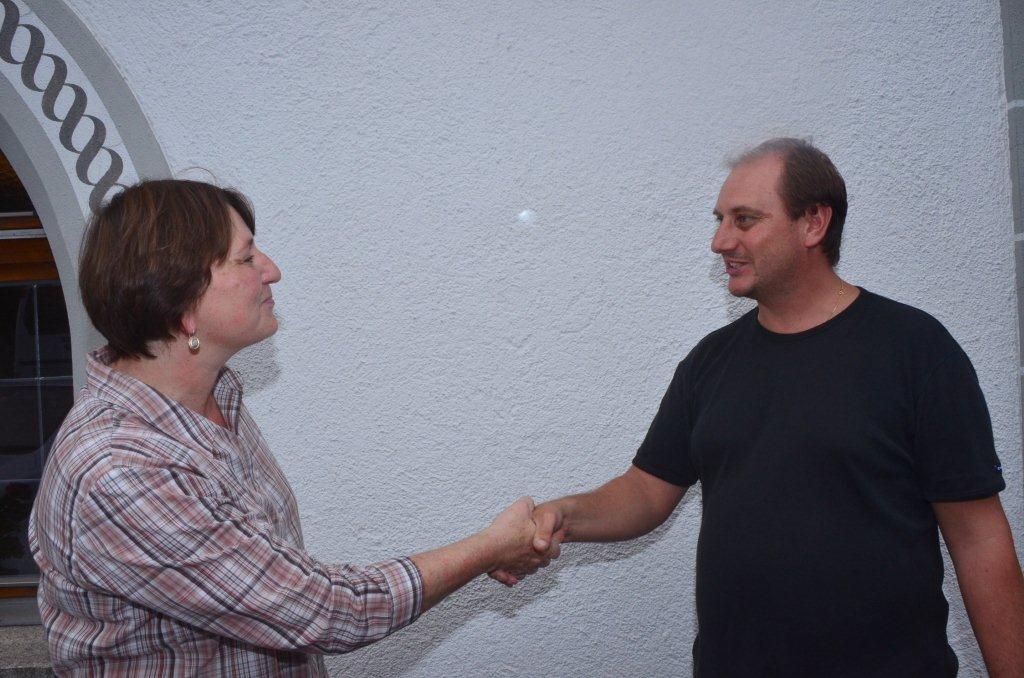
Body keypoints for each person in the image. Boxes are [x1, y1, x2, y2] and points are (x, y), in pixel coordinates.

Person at [493, 138, 1024, 676]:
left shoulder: (915, 351)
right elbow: (646, 491)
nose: (720, 241)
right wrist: (562, 515)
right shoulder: (711, 361)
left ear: (813, 223)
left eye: (744, 220)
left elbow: (978, 539)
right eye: (720, 220)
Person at [28, 179, 552, 676]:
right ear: (181, 302)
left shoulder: (213, 400)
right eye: (246, 258)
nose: (272, 271)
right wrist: (490, 547)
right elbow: (327, 612)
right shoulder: (121, 470)